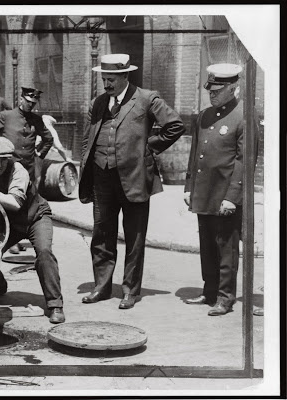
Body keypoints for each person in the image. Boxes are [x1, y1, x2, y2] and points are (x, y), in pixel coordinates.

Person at [79, 53, 185, 309]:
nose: (107, 83)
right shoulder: (99, 102)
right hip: (102, 178)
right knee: (102, 234)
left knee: (135, 237)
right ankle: (101, 287)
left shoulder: (147, 98)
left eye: (112, 79)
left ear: (125, 75)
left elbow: (175, 125)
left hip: (135, 177)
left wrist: (148, 148)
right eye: (104, 78)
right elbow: (88, 138)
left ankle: (130, 290)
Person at [0, 136, 66, 324]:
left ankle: (55, 304)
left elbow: (15, 203)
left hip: (35, 217)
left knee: (44, 253)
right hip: (10, 223)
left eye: (4, 159)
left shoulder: (17, 170)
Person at [184, 63, 257, 316]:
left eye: (217, 90)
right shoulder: (204, 115)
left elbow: (244, 161)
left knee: (226, 247)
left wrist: (232, 197)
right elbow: (196, 154)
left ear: (233, 88)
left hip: (225, 194)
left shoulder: (244, 116)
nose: (212, 94)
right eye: (210, 89)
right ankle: (210, 291)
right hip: (204, 192)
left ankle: (226, 297)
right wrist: (188, 186)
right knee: (207, 246)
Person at [0, 86, 54, 184]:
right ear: (21, 99)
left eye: (33, 103)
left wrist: (40, 154)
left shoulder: (36, 120)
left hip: (28, 169)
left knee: (28, 195)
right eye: (28, 101)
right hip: (8, 168)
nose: (30, 105)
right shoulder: (6, 116)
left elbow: (49, 139)